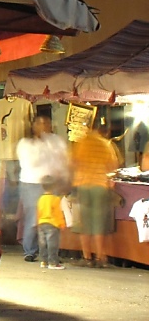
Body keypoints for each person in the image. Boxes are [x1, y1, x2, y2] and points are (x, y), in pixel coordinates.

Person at [15, 116, 69, 262]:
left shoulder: (57, 140)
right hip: (31, 183)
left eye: (46, 122)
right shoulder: (26, 143)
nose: (43, 125)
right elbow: (31, 162)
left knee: (53, 219)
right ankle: (30, 251)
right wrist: (42, 143)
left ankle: (51, 253)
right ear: (33, 126)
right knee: (35, 218)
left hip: (54, 184)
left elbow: (63, 160)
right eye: (39, 123)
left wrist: (64, 178)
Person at [71, 122, 122, 267]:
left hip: (84, 185)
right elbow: (113, 166)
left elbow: (73, 163)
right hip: (100, 186)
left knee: (85, 223)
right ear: (102, 131)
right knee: (99, 223)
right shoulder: (106, 144)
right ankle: (101, 257)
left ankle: (87, 257)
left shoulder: (81, 144)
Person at [36, 174, 66, 270]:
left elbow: (38, 211)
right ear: (54, 186)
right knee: (52, 244)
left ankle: (43, 261)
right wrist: (62, 223)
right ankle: (53, 263)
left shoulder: (40, 199)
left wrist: (38, 222)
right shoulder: (55, 199)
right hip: (52, 224)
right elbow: (58, 213)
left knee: (42, 244)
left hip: (41, 223)